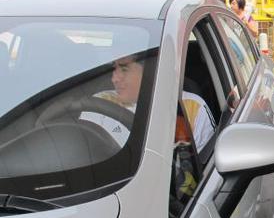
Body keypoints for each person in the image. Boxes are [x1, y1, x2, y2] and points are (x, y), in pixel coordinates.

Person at [80, 54, 215, 151]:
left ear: (153, 71)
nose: (114, 78)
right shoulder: (98, 103)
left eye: (124, 69)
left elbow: (204, 175)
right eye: (114, 69)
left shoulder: (191, 108)